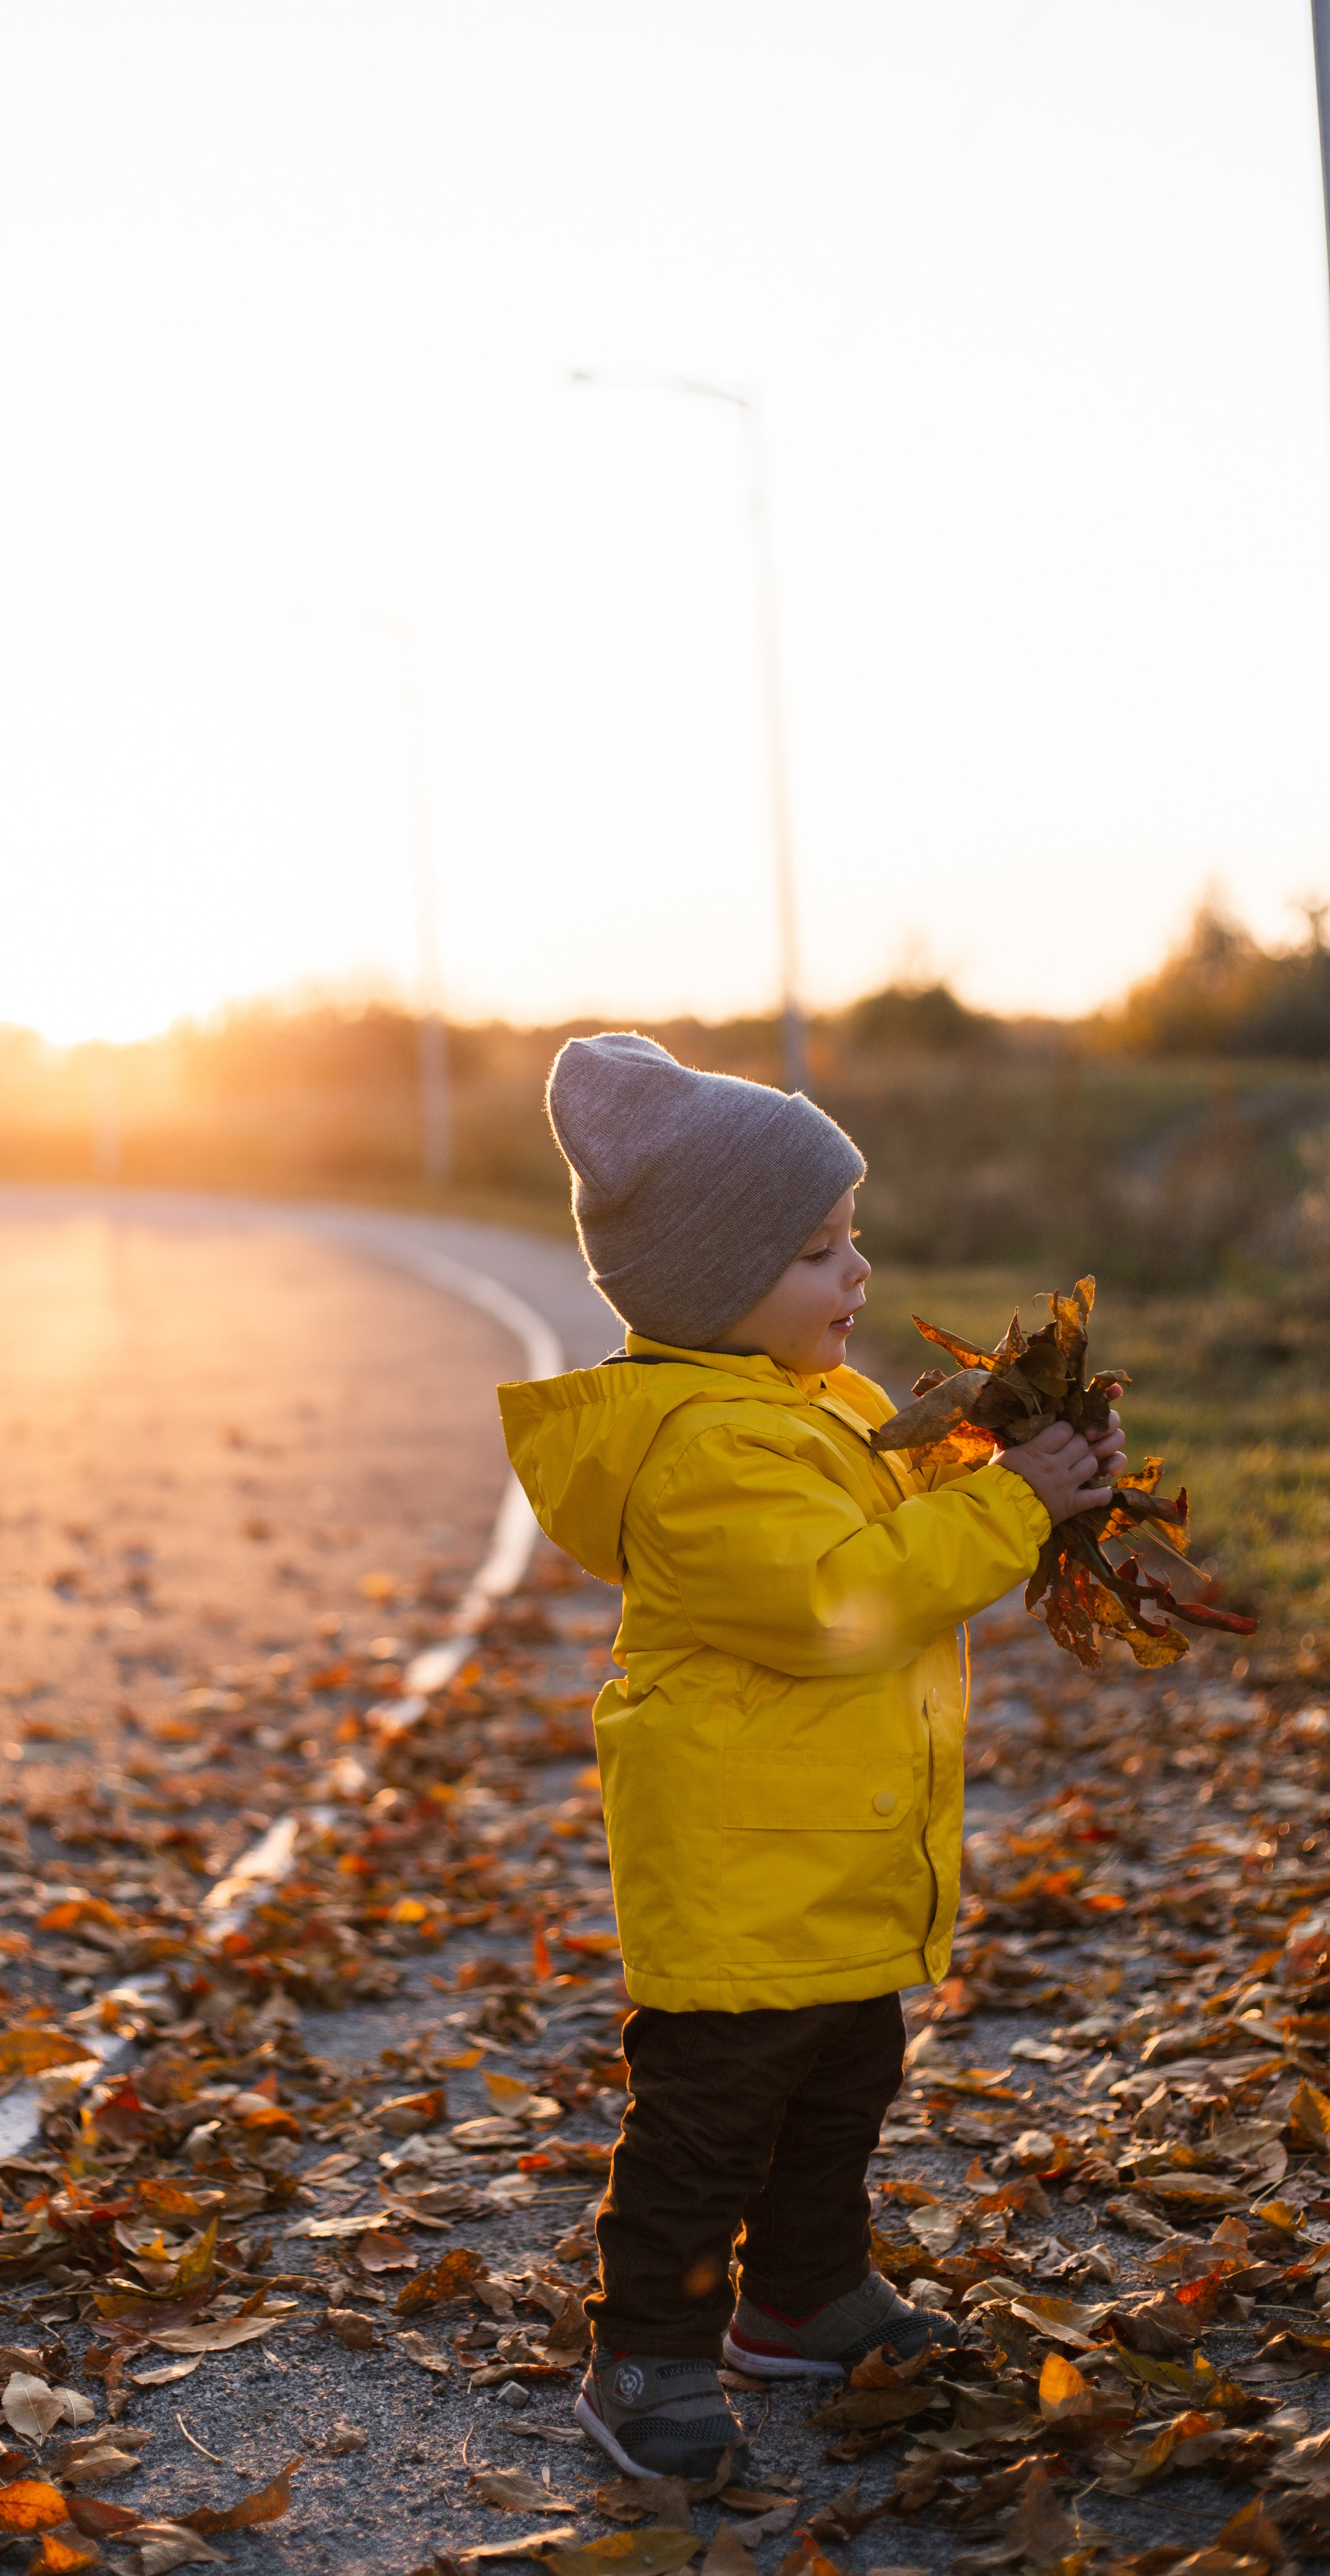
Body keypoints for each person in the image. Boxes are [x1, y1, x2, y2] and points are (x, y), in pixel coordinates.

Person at [498, 1033, 1125, 2481]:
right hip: (739, 1871)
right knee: (708, 2125)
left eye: (849, 1240)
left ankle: (797, 2294)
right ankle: (643, 2353)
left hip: (831, 1852)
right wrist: (1007, 1515)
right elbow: (834, 1604)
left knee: (842, 2084)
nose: (855, 1276)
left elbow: (893, 1516)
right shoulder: (702, 1451)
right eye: (815, 1254)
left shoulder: (809, 1405)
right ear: (713, 1289)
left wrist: (1014, 1468)